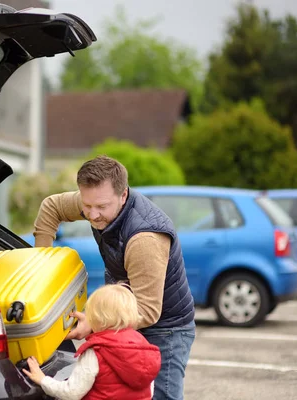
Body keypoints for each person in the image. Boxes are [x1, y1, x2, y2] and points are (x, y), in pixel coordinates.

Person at [32, 155, 196, 400]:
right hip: (120, 318)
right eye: (87, 206)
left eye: (101, 207)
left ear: (123, 195)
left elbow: (148, 311)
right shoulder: (97, 200)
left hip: (165, 330)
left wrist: (95, 322)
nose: (93, 214)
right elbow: (51, 206)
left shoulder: (145, 238)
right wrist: (42, 268)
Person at [22, 282, 161, 400]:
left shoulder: (97, 351)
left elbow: (72, 392)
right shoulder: (143, 346)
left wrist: (42, 379)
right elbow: (149, 390)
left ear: (97, 318)